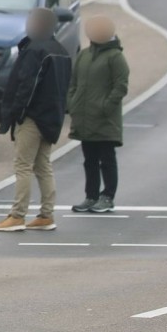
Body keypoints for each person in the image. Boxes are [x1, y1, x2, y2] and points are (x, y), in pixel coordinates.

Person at [0, 7, 72, 232]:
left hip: (33, 116)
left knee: (23, 165)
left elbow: (27, 85)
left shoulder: (35, 50)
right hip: (52, 117)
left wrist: (16, 113)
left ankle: (17, 215)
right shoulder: (62, 50)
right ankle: (46, 214)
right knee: (43, 166)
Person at [68, 14, 130, 214]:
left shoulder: (115, 57)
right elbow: (73, 83)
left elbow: (120, 86)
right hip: (84, 118)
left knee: (107, 158)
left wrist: (105, 107)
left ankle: (108, 196)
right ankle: (91, 195)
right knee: (89, 160)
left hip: (105, 119)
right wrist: (73, 104)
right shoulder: (84, 55)